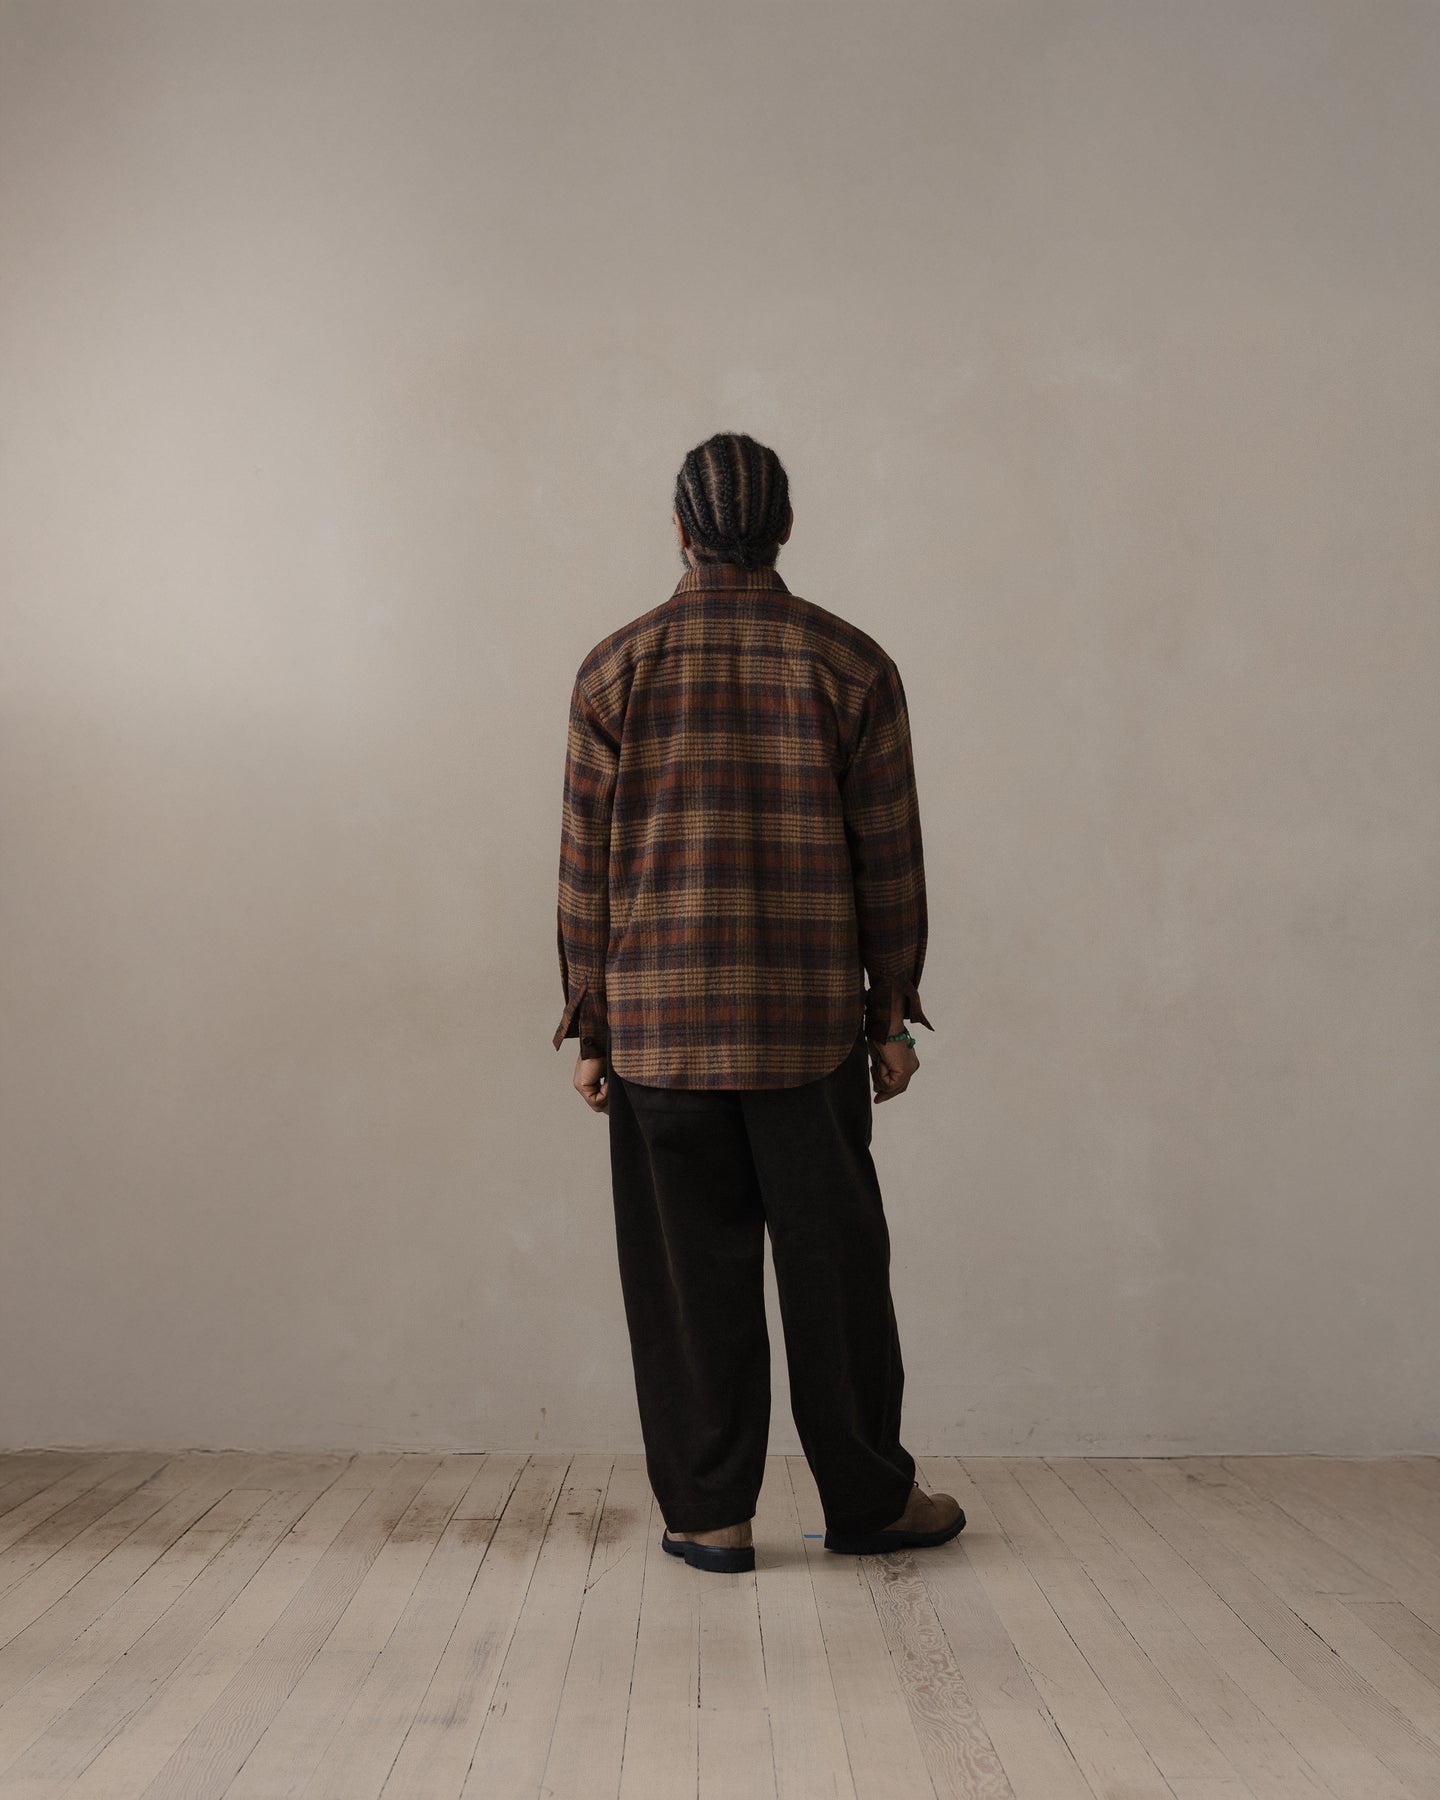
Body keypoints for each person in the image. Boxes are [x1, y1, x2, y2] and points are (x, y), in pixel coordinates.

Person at [553, 431, 965, 1573]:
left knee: (690, 1288)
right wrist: (890, 1017)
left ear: (680, 530)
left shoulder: (613, 669)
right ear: (783, 527)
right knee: (838, 1278)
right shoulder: (851, 664)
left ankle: (709, 1516)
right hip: (806, 1032)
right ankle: (870, 1503)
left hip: (658, 1035)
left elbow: (585, 870)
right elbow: (889, 860)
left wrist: (590, 1026)